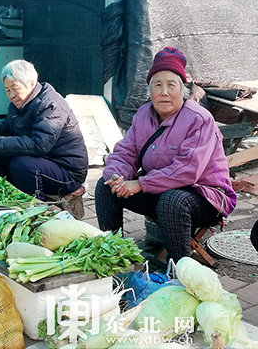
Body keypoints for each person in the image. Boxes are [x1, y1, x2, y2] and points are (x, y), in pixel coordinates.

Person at [95, 47, 237, 262]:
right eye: (157, 85)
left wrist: (141, 183)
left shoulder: (199, 119)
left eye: (171, 85)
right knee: (105, 188)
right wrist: (117, 176)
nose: (164, 92)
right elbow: (127, 151)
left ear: (183, 90)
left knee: (173, 201)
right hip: (161, 190)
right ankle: (113, 256)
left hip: (206, 196)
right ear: (149, 90)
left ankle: (180, 272)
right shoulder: (143, 114)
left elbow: (188, 171)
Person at [0, 60, 88, 207]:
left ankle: (35, 208)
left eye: (15, 88)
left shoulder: (50, 104)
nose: (11, 95)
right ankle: (9, 201)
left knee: (21, 165)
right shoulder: (22, 101)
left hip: (67, 172)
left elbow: (39, 144)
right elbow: (10, 126)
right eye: (7, 90)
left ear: (31, 83)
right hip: (44, 160)